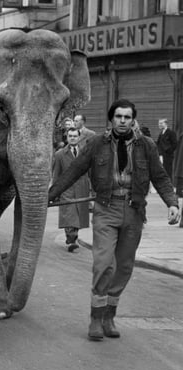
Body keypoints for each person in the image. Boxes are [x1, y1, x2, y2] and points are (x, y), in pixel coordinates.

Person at [49, 99, 180, 342]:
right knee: (103, 263)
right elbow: (74, 170)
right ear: (111, 119)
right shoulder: (97, 144)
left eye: (127, 117)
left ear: (133, 120)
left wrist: (172, 203)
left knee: (124, 266)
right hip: (106, 209)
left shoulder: (147, 146)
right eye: (118, 116)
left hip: (134, 211)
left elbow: (160, 177)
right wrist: (50, 195)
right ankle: (96, 318)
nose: (122, 121)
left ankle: (110, 315)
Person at [52, 127, 91, 252]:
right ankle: (72, 240)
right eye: (70, 136)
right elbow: (56, 175)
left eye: (75, 136)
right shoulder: (59, 155)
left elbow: (91, 172)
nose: (73, 138)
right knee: (69, 215)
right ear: (67, 137)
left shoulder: (86, 153)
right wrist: (54, 193)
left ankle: (73, 237)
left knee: (78, 216)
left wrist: (93, 189)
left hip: (82, 188)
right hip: (66, 189)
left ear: (79, 137)